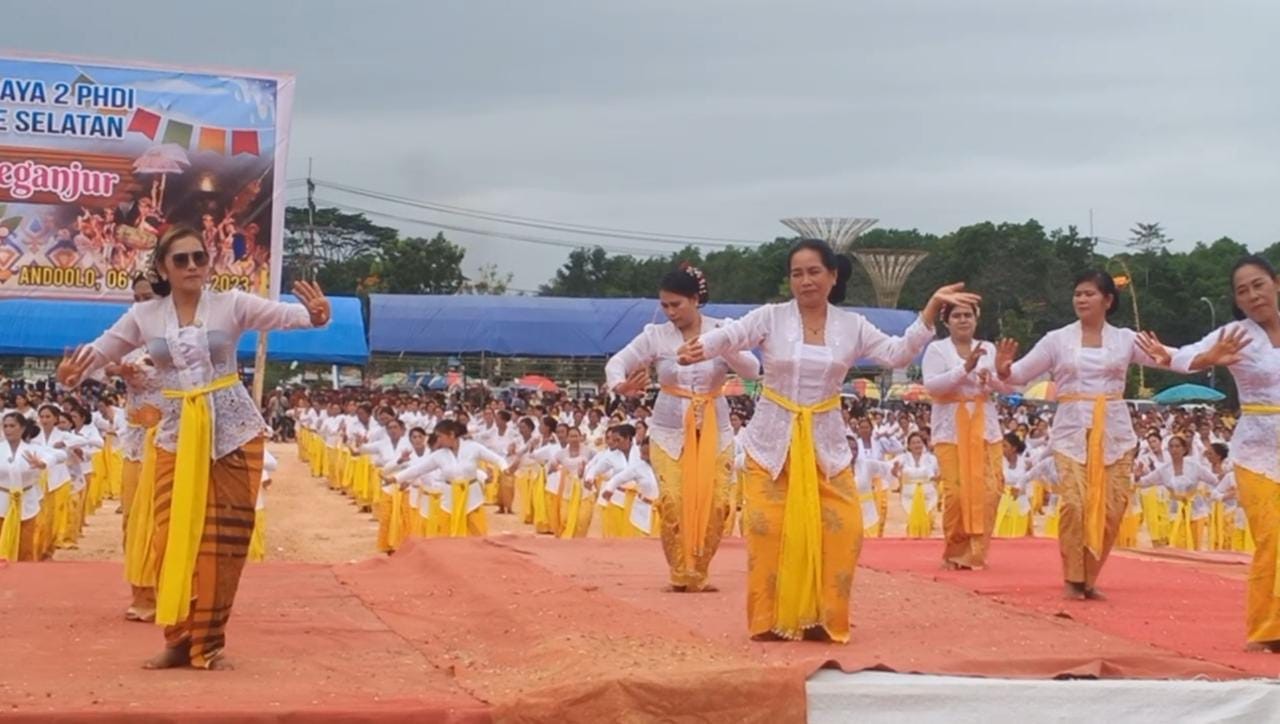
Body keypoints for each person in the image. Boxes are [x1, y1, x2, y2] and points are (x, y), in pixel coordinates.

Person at [56, 224, 331, 670]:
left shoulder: (232, 304)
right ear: (163, 266)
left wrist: (316, 315)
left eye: (199, 257)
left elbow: (288, 317)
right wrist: (73, 372)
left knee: (223, 542)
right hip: (175, 431)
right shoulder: (146, 315)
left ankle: (211, 642)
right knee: (167, 536)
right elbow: (102, 350)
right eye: (181, 259)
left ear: (209, 262)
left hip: (231, 431)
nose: (192, 266)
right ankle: (177, 637)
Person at [677, 238, 977, 642]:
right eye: (797, 273)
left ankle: (824, 617)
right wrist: (701, 346)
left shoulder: (852, 326)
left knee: (844, 529)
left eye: (815, 271)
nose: (805, 281)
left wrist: (927, 312)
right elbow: (732, 335)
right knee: (766, 530)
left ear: (833, 276)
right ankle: (770, 620)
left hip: (826, 440)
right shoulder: (771, 317)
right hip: (771, 440)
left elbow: (897, 354)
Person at [995, 269, 1170, 601]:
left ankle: (1090, 577)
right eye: (1077, 293)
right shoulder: (1056, 339)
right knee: (1074, 503)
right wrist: (1004, 368)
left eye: (1089, 293)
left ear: (1107, 300)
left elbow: (1168, 356)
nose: (1081, 299)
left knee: (1113, 507)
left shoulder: (1125, 339)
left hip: (1114, 430)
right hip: (1072, 428)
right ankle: (1073, 578)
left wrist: (1201, 355)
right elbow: (1018, 374)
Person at [605, 264, 761, 592]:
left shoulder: (722, 330)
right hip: (668, 430)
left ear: (695, 299)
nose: (670, 312)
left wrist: (723, 345)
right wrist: (620, 385)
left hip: (715, 428)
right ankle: (679, 571)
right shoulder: (655, 336)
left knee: (719, 503)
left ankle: (699, 571)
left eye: (677, 304)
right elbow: (616, 362)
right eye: (665, 305)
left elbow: (752, 369)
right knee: (673, 500)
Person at [1165, 255, 1280, 652]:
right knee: (1271, 536)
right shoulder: (1236, 333)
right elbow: (1179, 356)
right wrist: (1206, 360)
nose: (1252, 295)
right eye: (1242, 290)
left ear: (1276, 283)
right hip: (1257, 449)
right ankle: (1267, 629)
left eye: (1258, 285)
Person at [923, 302, 1009, 568]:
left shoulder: (989, 348)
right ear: (946, 321)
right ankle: (954, 550)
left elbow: (1004, 386)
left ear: (976, 318)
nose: (963, 320)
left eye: (968, 315)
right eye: (956, 316)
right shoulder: (937, 349)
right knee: (957, 493)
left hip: (985, 427)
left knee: (990, 490)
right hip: (951, 428)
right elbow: (933, 387)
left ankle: (976, 552)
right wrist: (965, 368)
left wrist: (993, 377)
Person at [389, 420, 508, 537]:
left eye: (440, 436)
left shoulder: (473, 447)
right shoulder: (439, 455)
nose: (438, 440)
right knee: (446, 533)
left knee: (477, 532)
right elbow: (417, 469)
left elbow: (498, 459)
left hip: (472, 497)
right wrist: (395, 478)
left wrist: (505, 469)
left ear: (451, 435)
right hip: (449, 499)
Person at [0, 412, 58, 561]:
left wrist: (43, 463)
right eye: (5, 426)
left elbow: (59, 455)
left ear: (22, 428)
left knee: (26, 546)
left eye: (12, 426)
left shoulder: (33, 450)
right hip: (2, 499)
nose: (8, 430)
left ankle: (24, 577)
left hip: (26, 500)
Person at [896, 432, 940, 539]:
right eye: (914, 443)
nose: (917, 445)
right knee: (910, 522)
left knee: (927, 522)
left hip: (928, 496)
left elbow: (937, 475)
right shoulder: (902, 458)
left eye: (919, 442)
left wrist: (938, 478)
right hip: (908, 497)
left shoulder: (931, 459)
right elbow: (894, 472)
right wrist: (895, 470)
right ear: (909, 446)